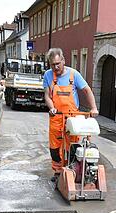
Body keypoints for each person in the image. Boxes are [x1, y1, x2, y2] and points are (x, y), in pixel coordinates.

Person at [43, 48, 99, 182]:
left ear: (63, 60)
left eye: (58, 63)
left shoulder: (74, 75)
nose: (56, 67)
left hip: (72, 117)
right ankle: (57, 172)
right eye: (52, 65)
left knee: (72, 146)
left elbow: (87, 90)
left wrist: (93, 108)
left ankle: (71, 170)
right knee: (55, 147)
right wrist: (51, 108)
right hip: (57, 117)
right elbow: (47, 96)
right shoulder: (48, 75)